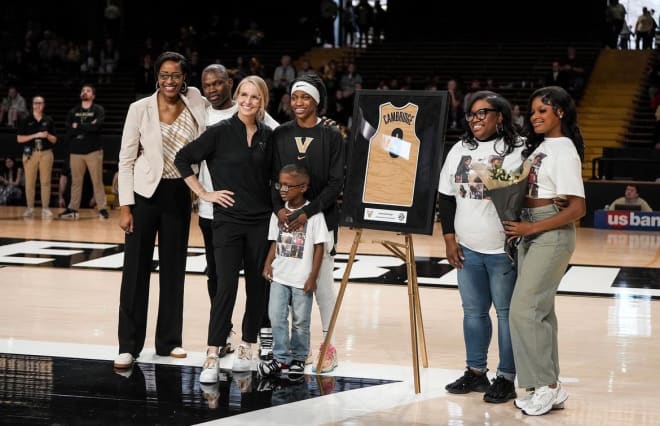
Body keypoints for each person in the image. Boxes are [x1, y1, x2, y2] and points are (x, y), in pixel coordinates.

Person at [174, 75, 274, 381]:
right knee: (225, 287)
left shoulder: (270, 136)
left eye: (254, 97)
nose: (247, 101)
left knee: (258, 287)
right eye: (243, 94)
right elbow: (182, 159)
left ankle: (247, 346)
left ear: (262, 102)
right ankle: (213, 353)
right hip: (227, 222)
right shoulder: (219, 132)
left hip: (260, 221)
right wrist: (204, 193)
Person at [113, 51, 208, 370]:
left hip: (179, 193)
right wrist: (125, 207)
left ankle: (169, 341)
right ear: (157, 77)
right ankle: (128, 344)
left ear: (185, 78)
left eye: (176, 75)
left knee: (173, 270)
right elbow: (125, 161)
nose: (170, 81)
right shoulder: (139, 109)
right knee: (135, 271)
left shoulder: (196, 101)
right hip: (143, 195)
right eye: (165, 75)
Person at [437, 91, 525, 404]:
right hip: (468, 248)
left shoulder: (518, 148)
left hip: (503, 250)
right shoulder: (460, 148)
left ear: (500, 116)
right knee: (473, 313)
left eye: (482, 113)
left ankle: (506, 377)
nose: (475, 119)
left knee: (505, 314)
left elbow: (521, 193)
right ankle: (476, 372)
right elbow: (446, 197)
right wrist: (449, 238)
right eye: (471, 114)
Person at [503, 86, 586, 416]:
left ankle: (543, 387)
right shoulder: (541, 147)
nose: (535, 116)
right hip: (533, 227)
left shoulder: (564, 150)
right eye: (533, 111)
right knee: (540, 312)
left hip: (548, 233)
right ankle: (551, 386)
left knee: (523, 310)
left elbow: (578, 207)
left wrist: (531, 228)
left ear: (560, 113)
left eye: (543, 111)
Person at [271, 72, 345, 373]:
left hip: (321, 220)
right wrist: (280, 210)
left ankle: (329, 348)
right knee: (287, 283)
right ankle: (284, 350)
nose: (299, 102)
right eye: (295, 96)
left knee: (323, 287)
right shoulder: (280, 133)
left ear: (317, 101)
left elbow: (336, 182)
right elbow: (270, 177)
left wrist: (308, 211)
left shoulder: (331, 134)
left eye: (305, 97)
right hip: (287, 223)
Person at [258, 164, 330, 380]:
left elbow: (319, 247)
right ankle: (281, 358)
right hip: (279, 276)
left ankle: (299, 357)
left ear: (303, 187)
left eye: (288, 186)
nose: (282, 189)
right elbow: (274, 241)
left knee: (300, 320)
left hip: (301, 279)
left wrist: (312, 277)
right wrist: (268, 263)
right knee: (276, 317)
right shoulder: (278, 213)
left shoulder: (313, 215)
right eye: (280, 184)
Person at [59, 84, 108, 220]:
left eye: (88, 90)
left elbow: (96, 127)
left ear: (93, 95)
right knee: (75, 181)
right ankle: (73, 208)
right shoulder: (73, 111)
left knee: (97, 180)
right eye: (83, 90)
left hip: (93, 151)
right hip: (75, 151)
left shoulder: (98, 109)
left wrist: (78, 126)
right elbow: (69, 129)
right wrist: (88, 126)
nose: (84, 92)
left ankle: (102, 208)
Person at [16, 95, 58, 218]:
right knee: (29, 182)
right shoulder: (25, 119)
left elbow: (54, 139)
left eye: (40, 103)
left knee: (45, 182)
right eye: (36, 103)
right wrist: (35, 135)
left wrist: (47, 135)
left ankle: (45, 208)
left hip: (46, 153)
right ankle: (30, 208)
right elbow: (19, 139)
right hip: (30, 153)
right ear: (32, 105)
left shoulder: (48, 120)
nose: (38, 105)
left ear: (43, 105)